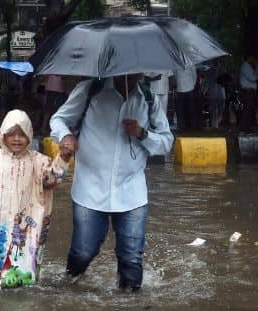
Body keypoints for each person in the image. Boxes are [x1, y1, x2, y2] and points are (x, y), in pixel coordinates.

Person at [50, 74, 174, 292]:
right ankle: (66, 291)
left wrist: (142, 133)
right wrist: (66, 136)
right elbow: (59, 119)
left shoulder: (148, 98)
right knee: (82, 253)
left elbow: (166, 142)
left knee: (132, 260)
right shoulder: (90, 89)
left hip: (132, 191)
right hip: (89, 187)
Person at [0, 110, 73, 290]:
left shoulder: (39, 162)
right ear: (3, 135)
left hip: (25, 228)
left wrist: (63, 158)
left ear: (29, 136)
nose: (17, 138)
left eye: (22, 134)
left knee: (19, 283)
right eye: (12, 134)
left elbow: (52, 180)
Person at [238, 54, 258, 133]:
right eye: (253, 58)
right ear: (249, 58)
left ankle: (247, 127)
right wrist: (257, 74)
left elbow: (257, 76)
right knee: (247, 110)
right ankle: (244, 127)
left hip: (250, 91)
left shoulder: (250, 67)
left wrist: (257, 67)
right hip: (247, 91)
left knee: (249, 110)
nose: (254, 60)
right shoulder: (245, 66)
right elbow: (253, 78)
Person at [173, 65, 198, 131]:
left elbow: (194, 75)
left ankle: (191, 126)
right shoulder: (175, 63)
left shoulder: (190, 63)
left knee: (190, 109)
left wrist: (193, 85)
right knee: (181, 110)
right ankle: (182, 127)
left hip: (189, 88)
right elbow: (175, 75)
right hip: (180, 88)